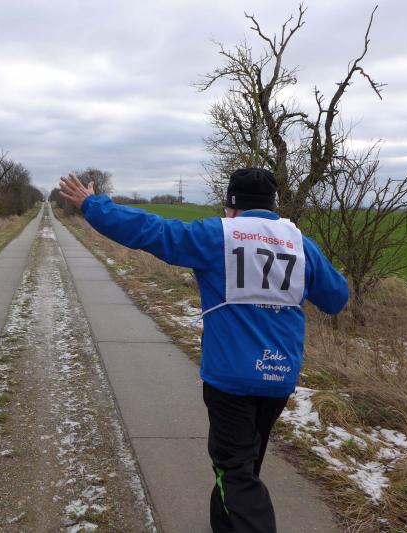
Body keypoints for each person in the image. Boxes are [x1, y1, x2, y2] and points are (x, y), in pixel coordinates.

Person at [58, 168, 349, 532]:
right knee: (243, 465)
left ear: (232, 206)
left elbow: (152, 231)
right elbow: (336, 298)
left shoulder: (219, 235)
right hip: (279, 376)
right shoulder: (299, 243)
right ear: (272, 206)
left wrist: (93, 205)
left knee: (235, 470)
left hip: (231, 377)